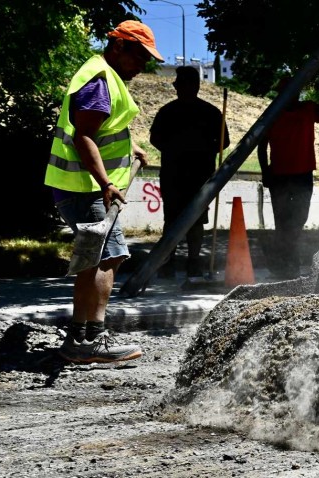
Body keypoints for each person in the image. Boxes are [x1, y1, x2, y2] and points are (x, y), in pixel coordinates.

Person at [44, 20, 163, 364]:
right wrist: (106, 183)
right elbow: (83, 137)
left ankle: (79, 338)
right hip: (84, 189)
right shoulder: (99, 80)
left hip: (81, 188)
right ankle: (91, 339)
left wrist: (132, 147)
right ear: (118, 47)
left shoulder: (104, 76)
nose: (142, 65)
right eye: (139, 56)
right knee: (106, 258)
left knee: (94, 259)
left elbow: (103, 128)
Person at [149, 65, 230, 287]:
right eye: (178, 84)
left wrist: (202, 150)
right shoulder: (168, 112)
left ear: (194, 86)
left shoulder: (211, 112)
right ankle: (168, 261)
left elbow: (224, 142)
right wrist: (175, 150)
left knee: (195, 220)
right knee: (172, 219)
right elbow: (155, 139)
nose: (180, 88)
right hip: (174, 175)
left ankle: (193, 262)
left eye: (183, 84)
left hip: (199, 177)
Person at [257, 78, 319, 279]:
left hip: (302, 175)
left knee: (298, 220)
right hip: (279, 175)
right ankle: (288, 265)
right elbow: (262, 145)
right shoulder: (272, 113)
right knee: (284, 222)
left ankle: (284, 261)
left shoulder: (309, 109)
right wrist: (265, 172)